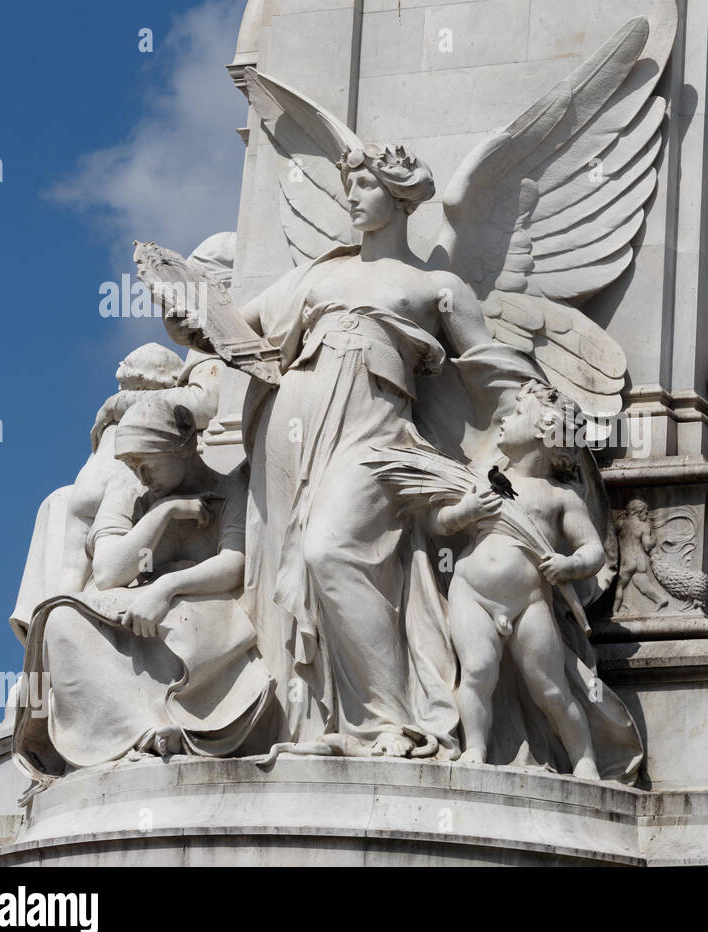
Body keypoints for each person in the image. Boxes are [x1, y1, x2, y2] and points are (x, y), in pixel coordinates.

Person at [217, 143, 541, 756]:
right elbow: (236, 323)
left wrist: (533, 441)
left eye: (363, 185)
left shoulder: (433, 284)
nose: (350, 197)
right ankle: (321, 722)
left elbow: (491, 374)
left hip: (374, 427)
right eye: (348, 185)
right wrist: (190, 313)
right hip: (295, 418)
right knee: (294, 558)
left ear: (398, 198)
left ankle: (390, 721)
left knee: (328, 550)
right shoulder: (319, 273)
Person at [13, 400, 272, 782]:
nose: (142, 474)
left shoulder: (229, 489)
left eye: (148, 462)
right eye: (134, 466)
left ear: (182, 449)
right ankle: (135, 733)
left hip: (199, 610)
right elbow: (108, 572)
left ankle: (182, 724)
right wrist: (163, 513)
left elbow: (234, 563)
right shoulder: (129, 491)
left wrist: (166, 587)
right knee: (60, 620)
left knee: (188, 623)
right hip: (128, 606)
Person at [434, 383, 618, 780]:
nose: (503, 420)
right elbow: (444, 523)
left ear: (545, 433)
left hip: (531, 602)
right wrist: (465, 511)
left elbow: (593, 551)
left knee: (551, 689)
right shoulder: (482, 480)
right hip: (471, 592)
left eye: (517, 414)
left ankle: (584, 758)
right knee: (478, 671)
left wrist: (569, 566)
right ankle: (476, 749)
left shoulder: (560, 497)